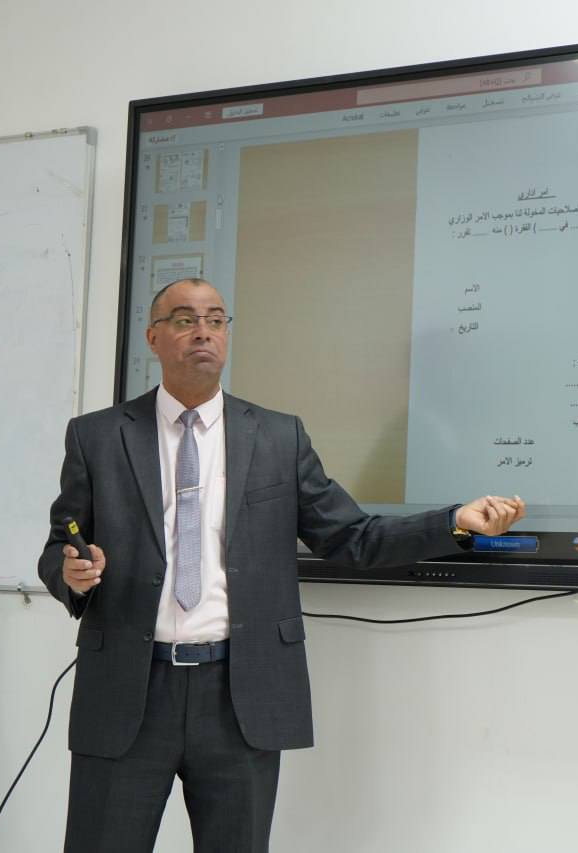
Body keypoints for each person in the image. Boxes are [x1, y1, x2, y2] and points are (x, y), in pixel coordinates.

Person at [38, 277, 525, 853]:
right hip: (128, 689)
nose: (203, 332)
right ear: (153, 337)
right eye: (185, 319)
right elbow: (59, 546)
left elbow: (352, 537)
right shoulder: (98, 436)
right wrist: (69, 573)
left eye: (216, 320)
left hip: (239, 693)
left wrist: (453, 523)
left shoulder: (276, 436)